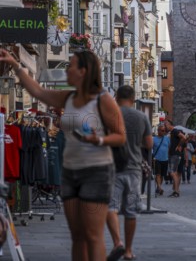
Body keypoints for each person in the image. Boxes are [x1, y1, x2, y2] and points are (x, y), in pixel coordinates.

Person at [0, 48, 125, 261]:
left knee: (93, 235)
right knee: (77, 236)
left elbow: (120, 136)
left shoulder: (103, 100)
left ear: (84, 71)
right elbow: (38, 92)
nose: (67, 70)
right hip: (71, 172)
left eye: (71, 65)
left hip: (96, 172)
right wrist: (14, 64)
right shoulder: (68, 97)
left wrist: (99, 140)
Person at [106, 85, 153, 261]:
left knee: (110, 207)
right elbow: (149, 144)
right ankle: (128, 251)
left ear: (117, 97)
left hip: (112, 167)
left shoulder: (110, 115)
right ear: (133, 99)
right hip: (133, 168)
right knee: (131, 211)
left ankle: (117, 242)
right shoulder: (141, 117)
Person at [163, 119, 186, 197]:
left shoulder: (175, 131)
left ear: (169, 124)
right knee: (175, 173)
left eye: (165, 125)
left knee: (173, 173)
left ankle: (176, 191)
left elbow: (183, 137)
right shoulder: (172, 133)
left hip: (175, 155)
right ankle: (175, 190)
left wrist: (179, 146)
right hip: (174, 154)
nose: (164, 127)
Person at [152, 124, 170, 195]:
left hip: (165, 159)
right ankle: (159, 187)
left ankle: (158, 187)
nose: (164, 132)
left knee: (162, 175)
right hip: (157, 159)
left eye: (164, 131)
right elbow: (151, 149)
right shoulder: (154, 139)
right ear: (158, 131)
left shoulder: (167, 139)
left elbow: (169, 147)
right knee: (158, 174)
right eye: (162, 130)